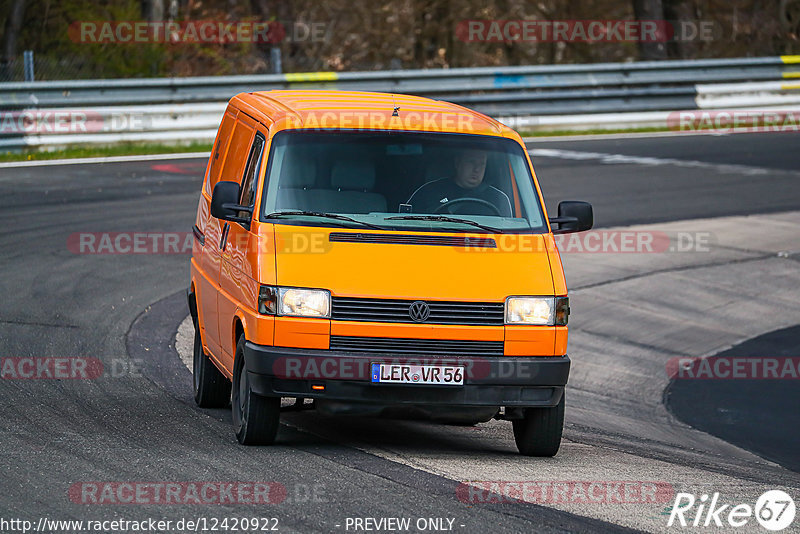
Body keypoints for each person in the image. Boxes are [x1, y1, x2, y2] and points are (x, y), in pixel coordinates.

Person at [406, 149, 513, 217]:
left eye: (482, 164)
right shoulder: (429, 193)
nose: (477, 169)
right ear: (457, 163)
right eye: (471, 162)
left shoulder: (498, 198)